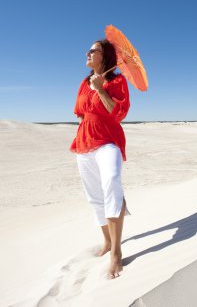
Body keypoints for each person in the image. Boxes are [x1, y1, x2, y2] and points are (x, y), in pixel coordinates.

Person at [70, 38, 130, 279]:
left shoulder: (117, 81)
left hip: (108, 143)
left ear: (104, 56)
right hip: (84, 145)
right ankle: (106, 241)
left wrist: (101, 89)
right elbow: (80, 114)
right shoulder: (84, 83)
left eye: (93, 50)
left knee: (112, 183)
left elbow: (118, 114)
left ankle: (116, 252)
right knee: (95, 196)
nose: (88, 52)